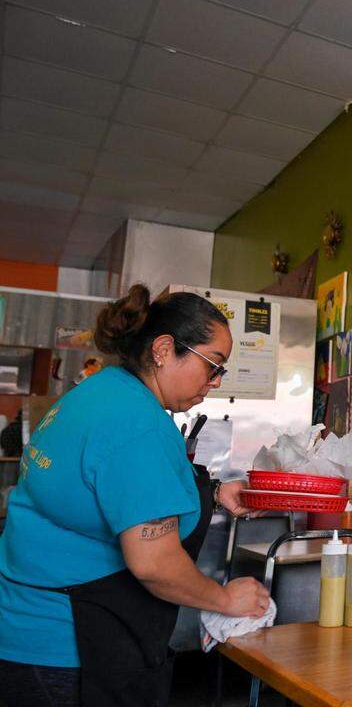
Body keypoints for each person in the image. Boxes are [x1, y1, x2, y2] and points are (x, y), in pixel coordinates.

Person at [0, 285, 270, 706]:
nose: (215, 383)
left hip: (23, 624)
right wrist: (225, 599)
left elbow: (110, 488)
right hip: (70, 647)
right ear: (164, 349)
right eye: (212, 366)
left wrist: (214, 494)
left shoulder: (101, 392)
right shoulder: (138, 424)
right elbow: (155, 564)